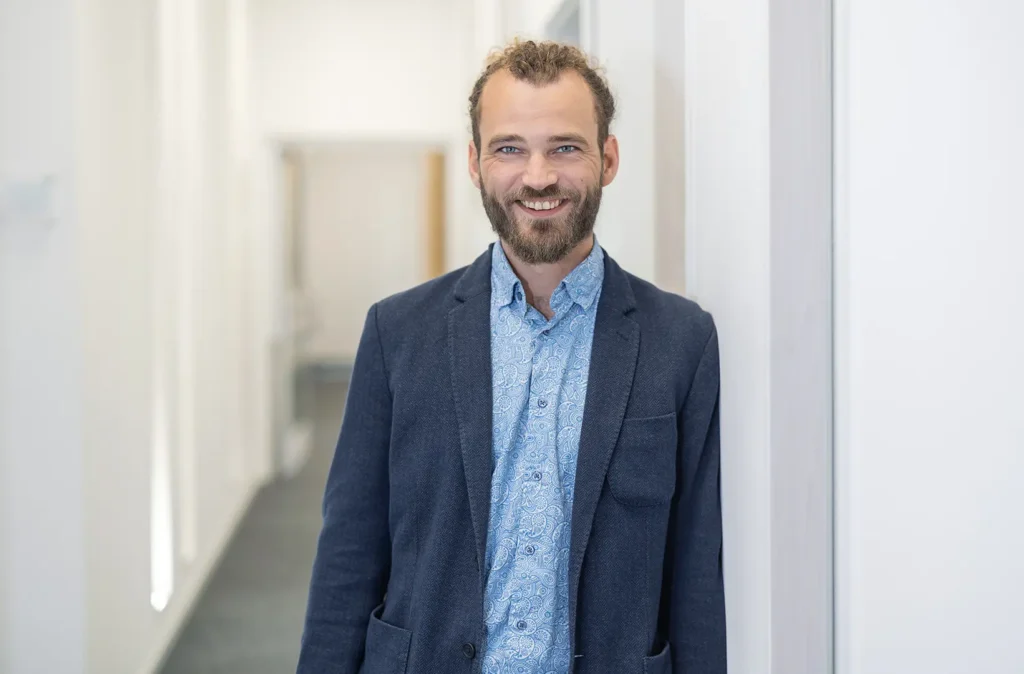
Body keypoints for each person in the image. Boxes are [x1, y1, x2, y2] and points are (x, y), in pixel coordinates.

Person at [297, 39, 726, 674]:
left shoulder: (680, 341)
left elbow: (697, 573)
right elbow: (348, 556)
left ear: (607, 159)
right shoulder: (397, 332)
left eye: (565, 147)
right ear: (475, 163)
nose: (538, 176)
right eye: (509, 148)